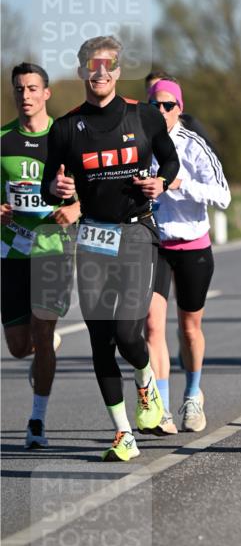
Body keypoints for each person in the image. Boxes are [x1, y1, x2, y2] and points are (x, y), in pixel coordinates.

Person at [41, 36, 180, 461]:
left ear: (118, 71)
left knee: (126, 331)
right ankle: (123, 435)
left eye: (108, 66)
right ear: (82, 71)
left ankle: (146, 384)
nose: (100, 73)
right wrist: (58, 188)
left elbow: (169, 162)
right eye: (91, 66)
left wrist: (161, 182)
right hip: (93, 238)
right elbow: (50, 185)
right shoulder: (65, 127)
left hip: (136, 231)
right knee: (100, 340)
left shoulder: (144, 117)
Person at [144, 79, 231, 433]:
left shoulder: (193, 145)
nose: (161, 112)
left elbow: (222, 196)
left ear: (180, 108)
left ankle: (193, 396)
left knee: (189, 329)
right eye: (155, 105)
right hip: (154, 245)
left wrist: (180, 184)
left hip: (193, 245)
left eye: (168, 105)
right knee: (152, 326)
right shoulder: (139, 144)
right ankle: (161, 408)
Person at [1, 63, 80, 449]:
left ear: (46, 93)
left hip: (53, 250)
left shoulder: (64, 138)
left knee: (43, 330)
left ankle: (37, 420)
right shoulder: (1, 140)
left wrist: (77, 209)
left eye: (33, 88)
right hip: (11, 251)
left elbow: (94, 189)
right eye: (19, 89)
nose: (26, 95)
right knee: (18, 346)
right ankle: (42, 344)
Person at [143, 70, 216, 149]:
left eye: (167, 104)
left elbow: (211, 153)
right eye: (149, 91)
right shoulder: (139, 126)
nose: (155, 92)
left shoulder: (190, 125)